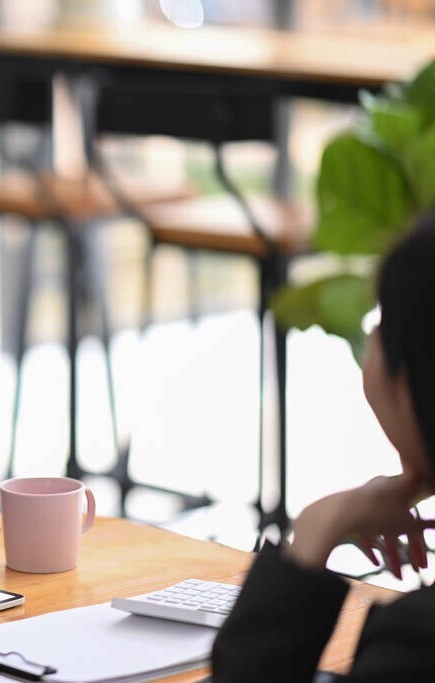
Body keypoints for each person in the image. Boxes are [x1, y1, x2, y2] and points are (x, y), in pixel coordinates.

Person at [211, 218, 435, 681]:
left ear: (413, 384)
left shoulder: (415, 645)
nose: (372, 340)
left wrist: (317, 528)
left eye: (384, 323)